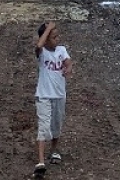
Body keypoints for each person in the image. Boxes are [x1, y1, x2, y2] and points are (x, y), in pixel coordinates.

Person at [34, 22, 72, 175]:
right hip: (43, 95)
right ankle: (41, 161)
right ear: (46, 39)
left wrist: (68, 69)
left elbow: (69, 63)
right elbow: (38, 45)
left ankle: (54, 151)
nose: (58, 39)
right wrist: (48, 28)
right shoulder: (42, 53)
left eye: (57, 36)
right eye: (54, 37)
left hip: (59, 95)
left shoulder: (61, 50)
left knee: (56, 124)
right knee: (43, 127)